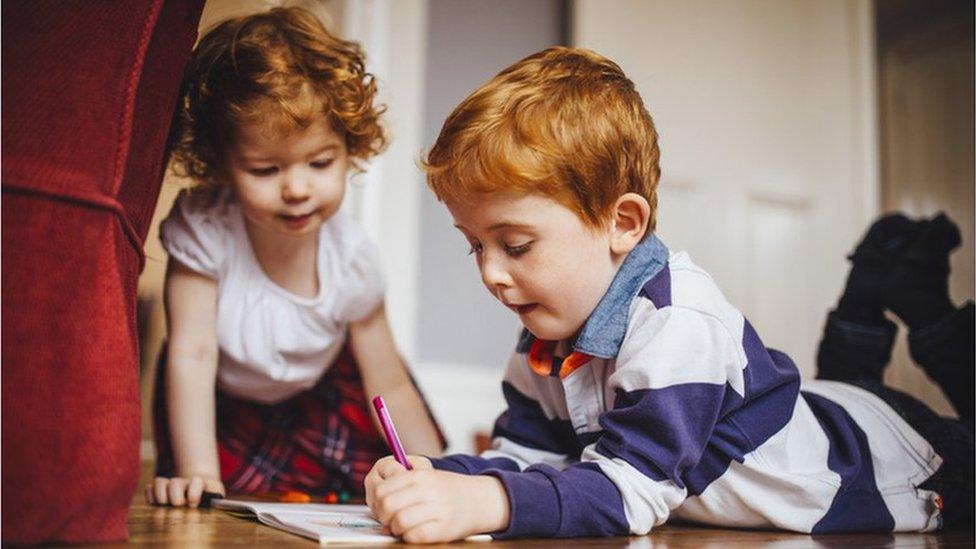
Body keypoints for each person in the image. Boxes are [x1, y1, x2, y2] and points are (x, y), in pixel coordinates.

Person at [363, 46, 974, 543]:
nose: (490, 273)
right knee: (838, 387)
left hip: (898, 455)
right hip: (821, 408)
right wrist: (438, 477)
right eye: (475, 246)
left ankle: (892, 302)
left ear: (622, 223)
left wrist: (485, 501)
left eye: (515, 245)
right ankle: (868, 301)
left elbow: (631, 492)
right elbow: (530, 459)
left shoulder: (677, 320)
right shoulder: (543, 340)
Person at [146, 7, 443, 508]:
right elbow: (191, 354)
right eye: (265, 170)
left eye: (321, 162)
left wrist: (441, 471)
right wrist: (197, 470)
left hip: (320, 396)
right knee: (211, 496)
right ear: (223, 163)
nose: (298, 190)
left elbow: (388, 380)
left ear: (349, 149)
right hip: (222, 402)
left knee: (373, 485)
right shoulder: (205, 231)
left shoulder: (351, 259)